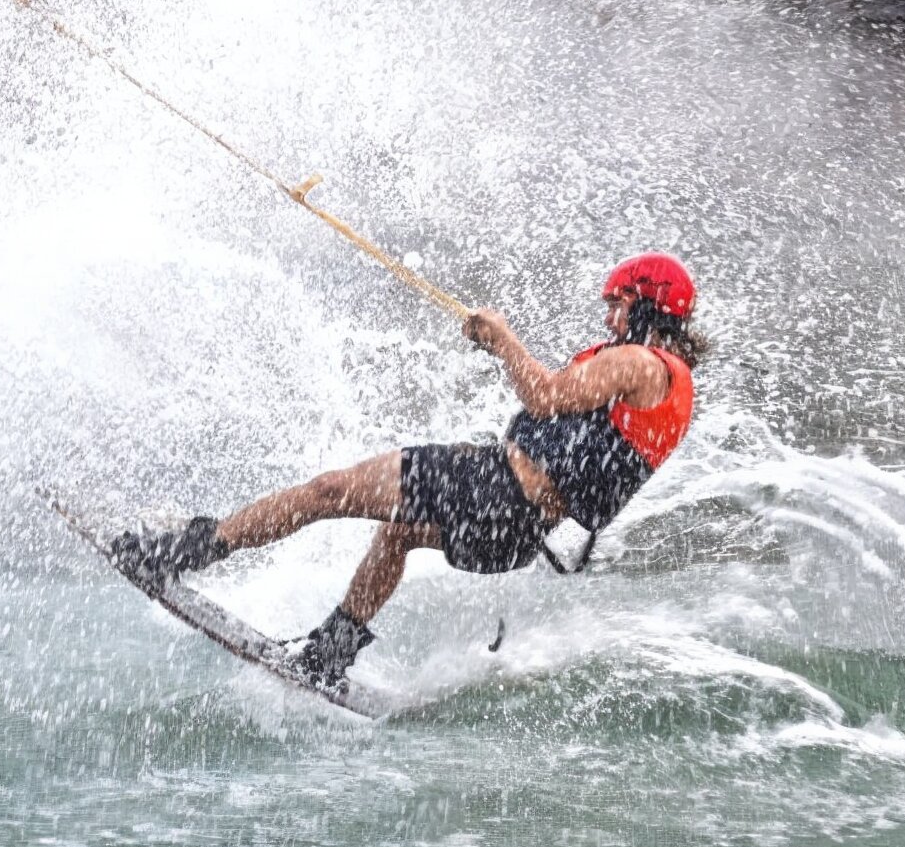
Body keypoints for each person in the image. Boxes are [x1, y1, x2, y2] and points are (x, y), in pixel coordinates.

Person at [109, 252, 706, 689]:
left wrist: (502, 340)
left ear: (650, 304)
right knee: (395, 533)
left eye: (618, 304)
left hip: (490, 491)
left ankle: (180, 553)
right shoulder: (674, 390)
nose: (609, 319)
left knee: (328, 491)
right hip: (515, 536)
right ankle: (331, 652)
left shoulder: (640, 364)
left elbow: (546, 395)